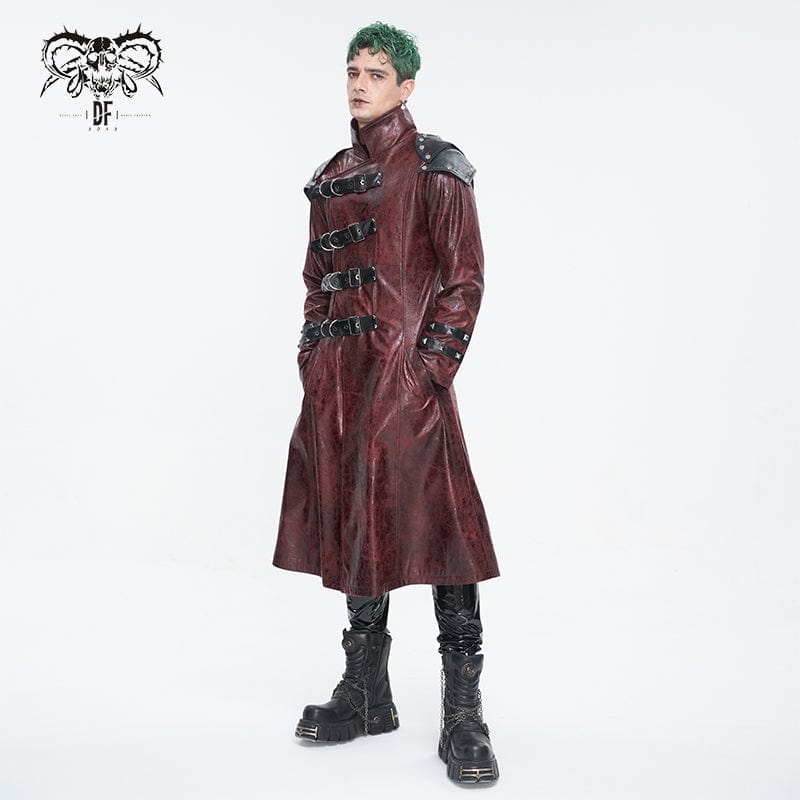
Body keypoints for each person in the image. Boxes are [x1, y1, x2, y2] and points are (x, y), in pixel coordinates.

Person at [273, 21, 500, 785]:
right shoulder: (332, 174)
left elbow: (464, 279)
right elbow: (317, 282)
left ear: (406, 87)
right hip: (340, 385)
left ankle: (464, 712)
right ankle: (366, 691)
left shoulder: (436, 166)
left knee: (446, 535)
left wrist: (428, 372)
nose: (359, 84)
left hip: (407, 385)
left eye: (376, 73)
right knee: (357, 523)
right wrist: (313, 357)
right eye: (352, 71)